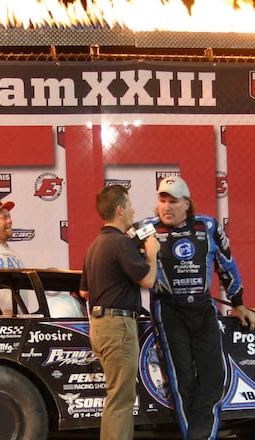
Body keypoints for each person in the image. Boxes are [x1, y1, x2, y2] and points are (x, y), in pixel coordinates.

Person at [144, 176, 255, 440]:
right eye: (162, 200)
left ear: (187, 204)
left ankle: (201, 435)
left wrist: (238, 303)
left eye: (173, 201)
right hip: (168, 311)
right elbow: (120, 256)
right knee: (182, 380)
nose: (167, 207)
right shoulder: (146, 230)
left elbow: (226, 264)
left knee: (213, 377)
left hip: (203, 308)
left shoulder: (207, 226)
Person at [80, 184, 160, 440]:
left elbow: (84, 292)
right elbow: (148, 280)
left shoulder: (95, 245)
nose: (133, 210)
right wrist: (152, 254)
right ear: (119, 210)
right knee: (120, 400)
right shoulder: (120, 243)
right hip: (118, 328)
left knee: (118, 397)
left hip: (100, 327)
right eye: (130, 205)